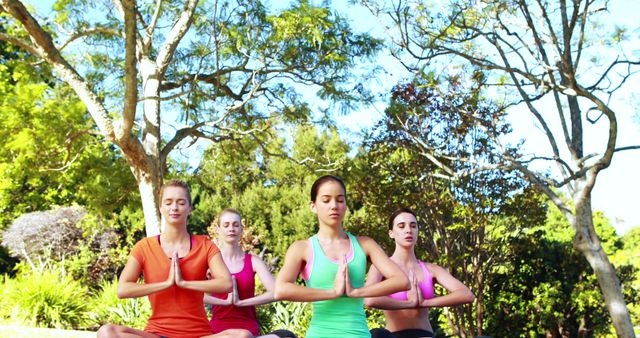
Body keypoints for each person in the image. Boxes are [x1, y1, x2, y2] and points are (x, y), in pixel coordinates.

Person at [274, 175, 410, 338]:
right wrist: (333, 292)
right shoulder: (302, 248)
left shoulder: (365, 244)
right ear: (313, 206)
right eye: (326, 200)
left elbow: (402, 280)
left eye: (340, 200)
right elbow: (281, 289)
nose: (334, 206)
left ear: (345, 205)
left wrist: (356, 292)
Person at [97, 179, 233, 338]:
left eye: (181, 203)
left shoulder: (205, 245)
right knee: (107, 332)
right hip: (157, 334)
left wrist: (184, 283)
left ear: (190, 208)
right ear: (161, 207)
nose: (174, 207)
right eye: (168, 202)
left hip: (198, 335)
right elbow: (123, 289)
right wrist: (166, 284)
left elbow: (226, 283)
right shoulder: (144, 247)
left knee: (241, 335)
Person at [365, 208, 475, 338]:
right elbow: (369, 300)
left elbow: (467, 294)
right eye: (401, 226)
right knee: (377, 334)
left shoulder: (431, 269)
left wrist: (425, 303)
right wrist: (409, 304)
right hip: (393, 336)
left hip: (424, 335)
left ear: (417, 231)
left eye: (413, 226)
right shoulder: (380, 267)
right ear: (391, 233)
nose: (408, 230)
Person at [204, 208, 296, 338]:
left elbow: (277, 292)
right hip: (218, 331)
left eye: (236, 225)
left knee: (286, 336)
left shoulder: (253, 261)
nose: (231, 228)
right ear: (218, 229)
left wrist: (243, 302)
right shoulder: (210, 262)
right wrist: (225, 302)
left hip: (248, 328)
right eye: (226, 225)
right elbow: (195, 295)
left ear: (241, 229)